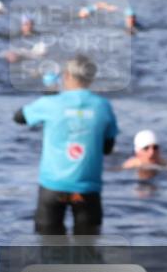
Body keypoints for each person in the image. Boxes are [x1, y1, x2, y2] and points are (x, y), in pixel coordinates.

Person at [13, 55, 119, 235]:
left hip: (53, 187)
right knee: (87, 252)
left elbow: (18, 117)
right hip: (86, 190)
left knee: (49, 250)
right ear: (91, 78)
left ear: (67, 75)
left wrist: (50, 94)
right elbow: (107, 149)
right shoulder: (103, 106)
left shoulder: (51, 104)